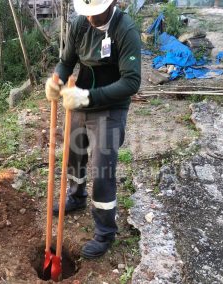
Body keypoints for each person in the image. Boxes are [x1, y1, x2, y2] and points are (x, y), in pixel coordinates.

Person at [45, 0, 141, 259]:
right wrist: (57, 80)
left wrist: (89, 98)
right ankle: (76, 197)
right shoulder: (79, 25)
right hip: (80, 100)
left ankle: (105, 232)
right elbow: (66, 61)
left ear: (111, 4)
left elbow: (131, 82)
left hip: (110, 106)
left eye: (95, 13)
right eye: (86, 14)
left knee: (102, 168)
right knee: (74, 155)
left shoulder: (126, 30)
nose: (90, 19)